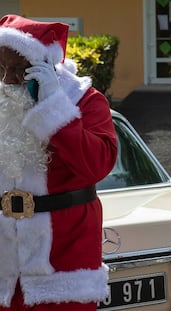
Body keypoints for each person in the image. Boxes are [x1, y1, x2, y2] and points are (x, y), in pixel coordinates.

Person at [0, 15, 117, 311]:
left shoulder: (85, 101)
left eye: (17, 70)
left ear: (45, 68)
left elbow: (98, 165)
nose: (7, 80)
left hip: (63, 261)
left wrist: (54, 109)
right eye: (0, 69)